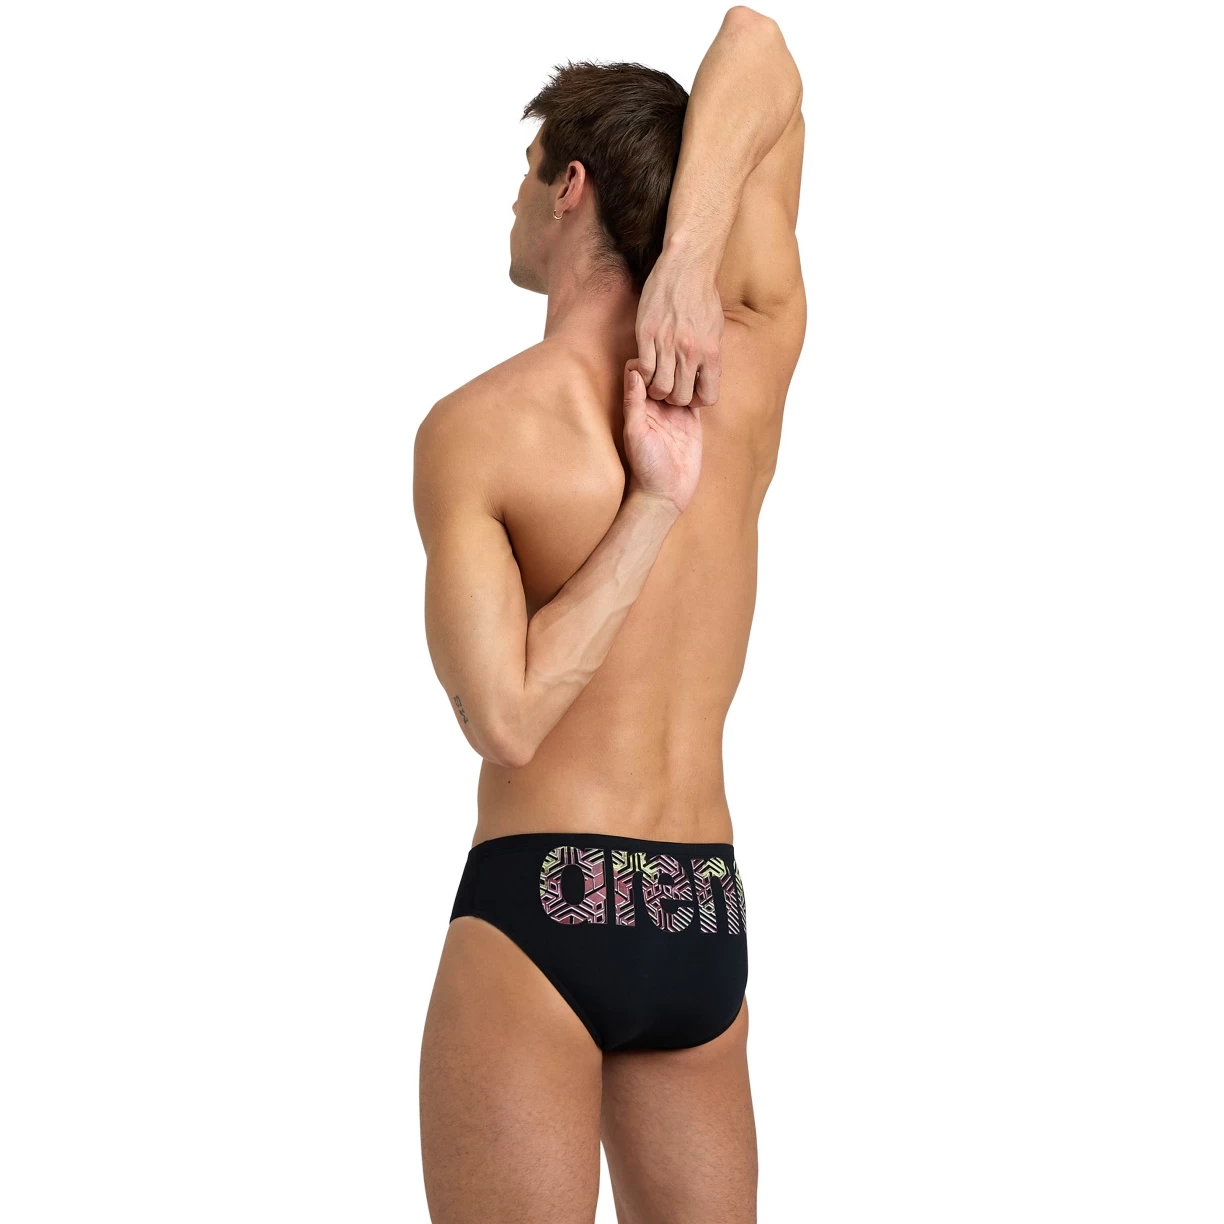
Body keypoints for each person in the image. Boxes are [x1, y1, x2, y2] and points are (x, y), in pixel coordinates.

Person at [413, 8, 804, 1220]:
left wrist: (646, 511)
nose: (513, 204)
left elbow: (508, 719)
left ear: (569, 185)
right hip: (699, 905)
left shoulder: (479, 428)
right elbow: (765, 56)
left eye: (526, 174)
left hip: (546, 904)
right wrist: (692, 263)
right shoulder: (748, 363)